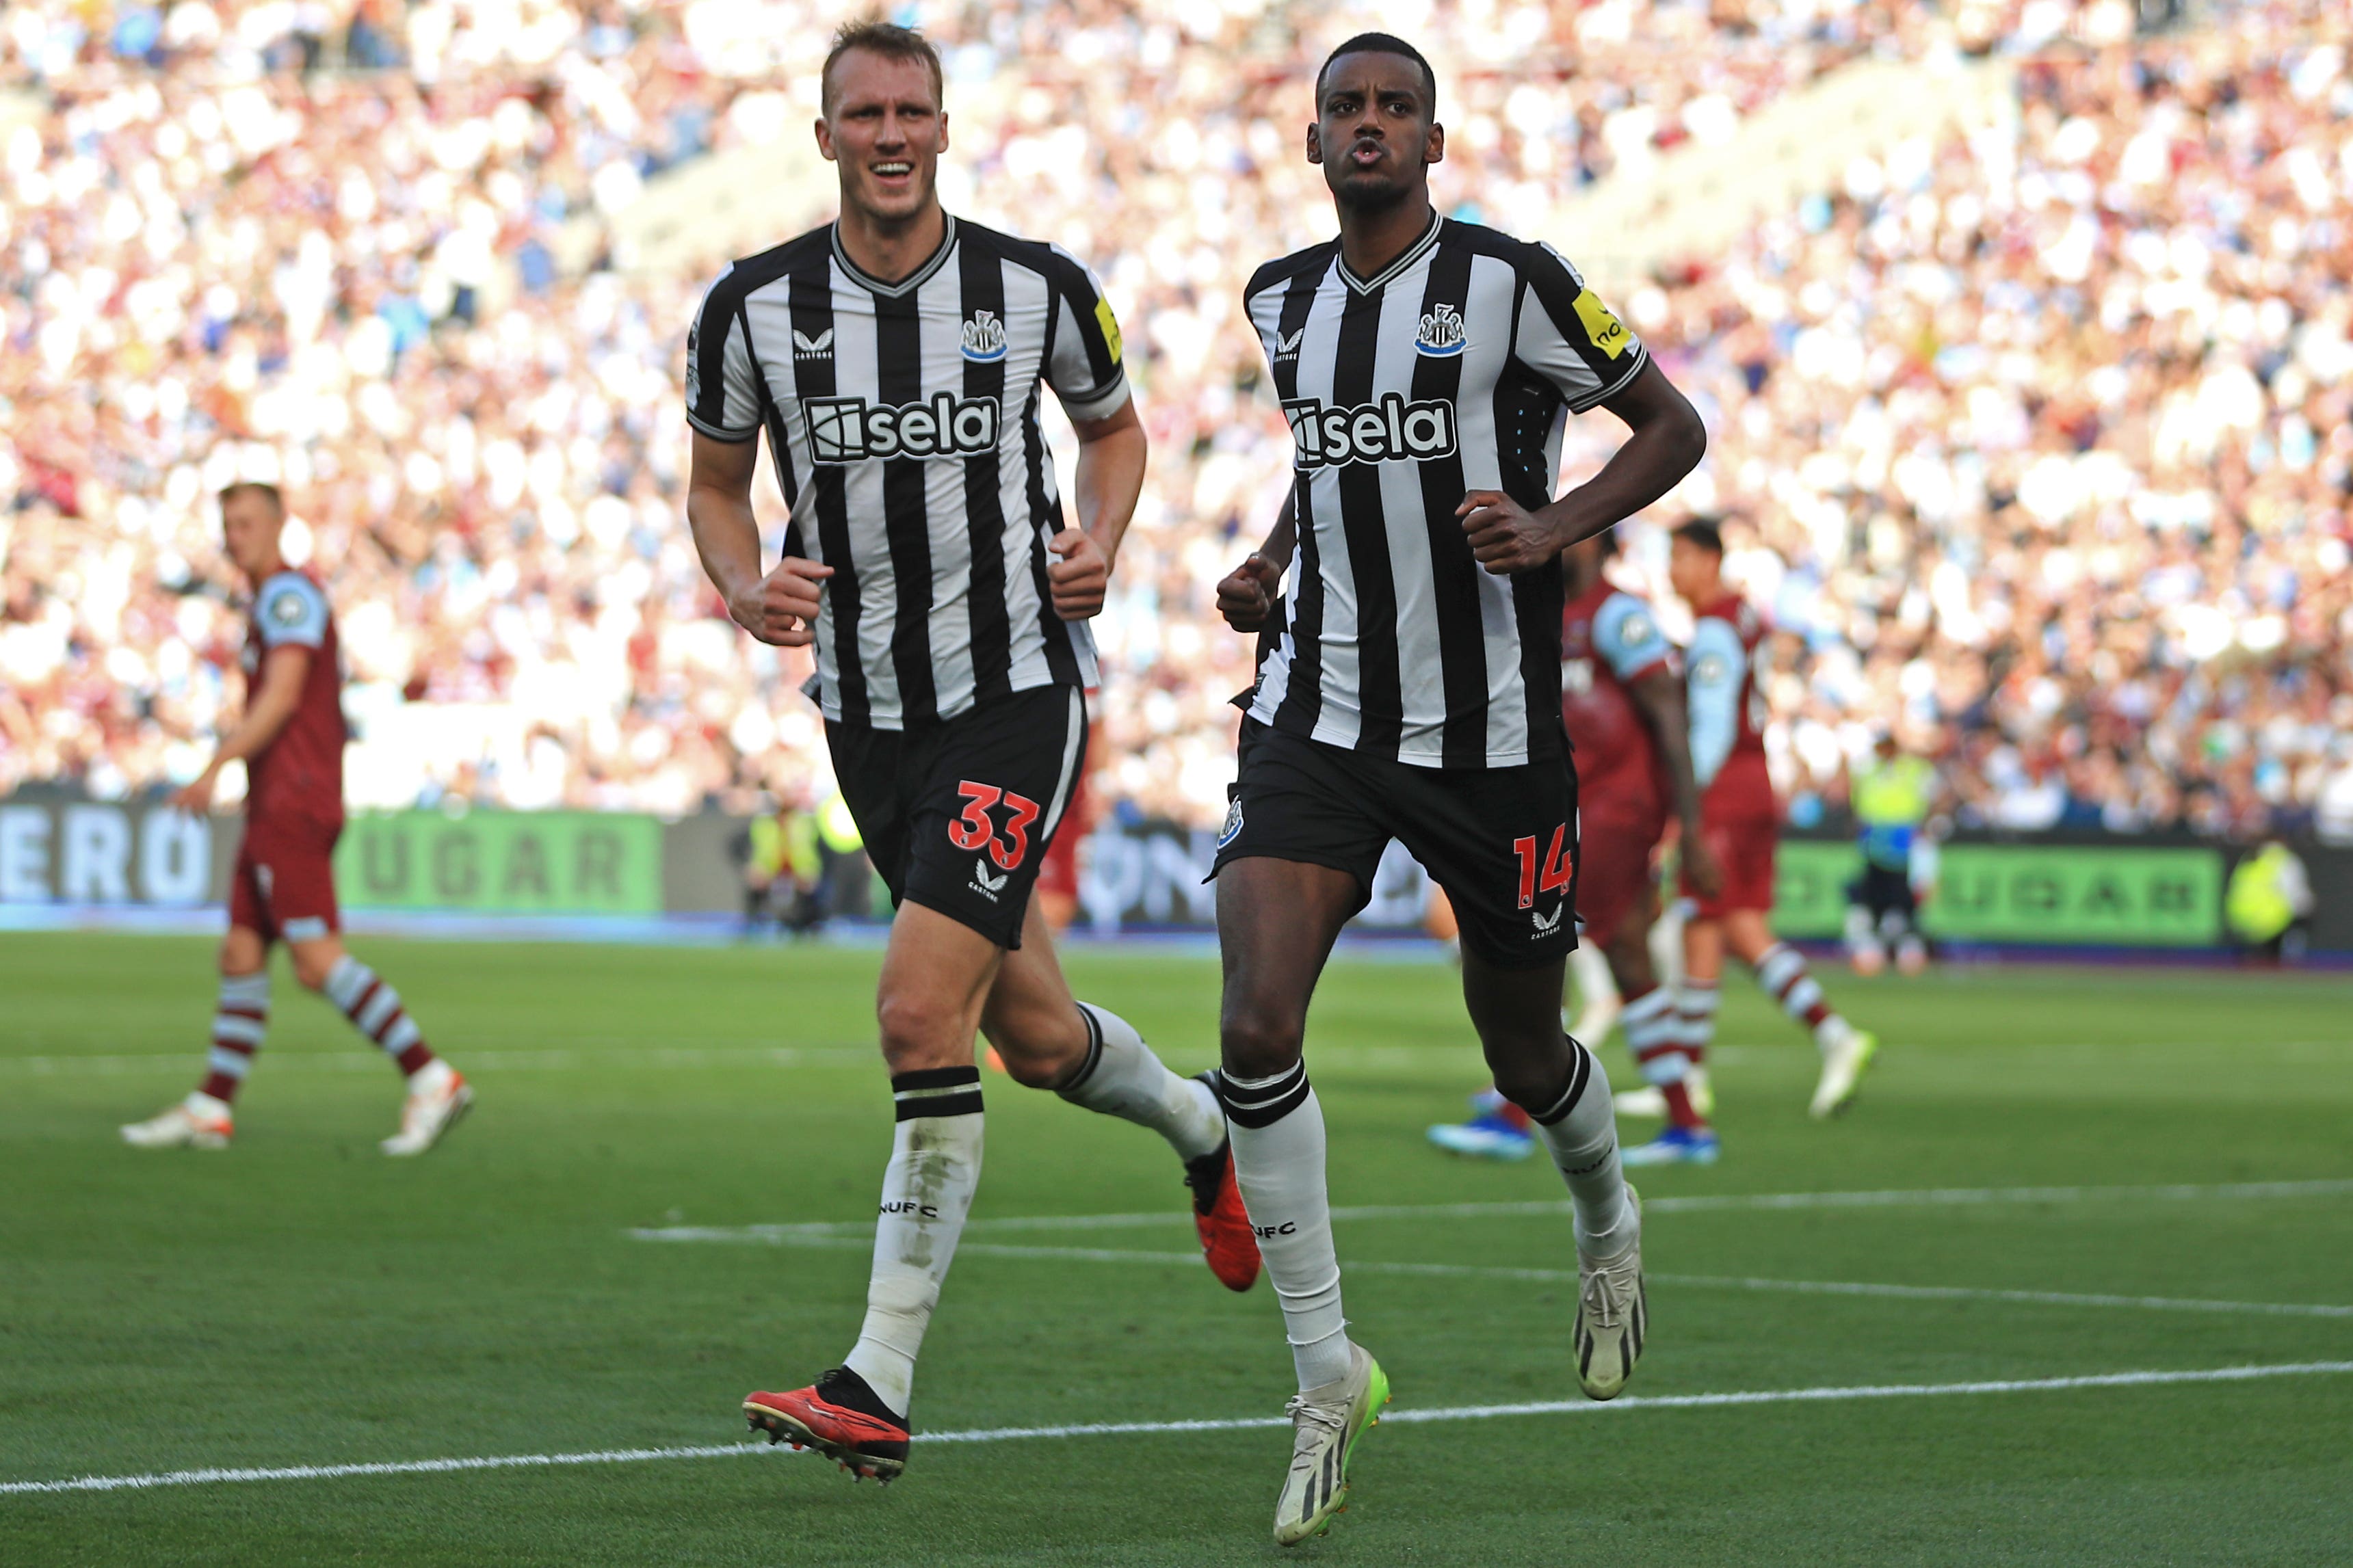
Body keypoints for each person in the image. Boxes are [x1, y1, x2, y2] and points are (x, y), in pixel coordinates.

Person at [681, 21, 1259, 1487]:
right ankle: (1202, 1131)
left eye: (913, 110)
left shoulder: (1033, 287)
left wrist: (1102, 540)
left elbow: (1116, 436)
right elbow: (713, 486)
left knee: (913, 1014)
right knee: (1035, 1037)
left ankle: (874, 1378)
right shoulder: (750, 310)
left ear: (945, 129)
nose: (891, 132)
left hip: (1012, 697)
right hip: (864, 720)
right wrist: (746, 585)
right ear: (825, 138)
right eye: (864, 112)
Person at [1210, 34, 1706, 1544]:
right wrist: (1273, 561)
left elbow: (1672, 430)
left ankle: (1606, 1216)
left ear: (1434, 140)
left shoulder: (1517, 282)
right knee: (1250, 1024)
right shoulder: (1280, 300)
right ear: (1313, 144)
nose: (1369, 127)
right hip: (1317, 716)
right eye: (1346, 110)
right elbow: (1328, 458)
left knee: (1520, 1049)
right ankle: (1321, 1375)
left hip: (1490, 743)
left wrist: (1554, 525)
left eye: (1395, 109)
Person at [120, 483, 473, 1156]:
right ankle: (210, 1107)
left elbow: (283, 696)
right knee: (242, 951)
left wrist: (213, 766)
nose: (235, 535)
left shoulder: (289, 597)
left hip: (295, 799)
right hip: (273, 801)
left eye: (248, 521)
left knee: (315, 961)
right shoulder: (267, 601)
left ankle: (429, 1075)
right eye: (227, 523)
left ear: (280, 526)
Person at [1429, 527, 1722, 1160]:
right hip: (1577, 805)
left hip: (1618, 810)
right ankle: (1686, 1122)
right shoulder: (1551, 614)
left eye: (1574, 536)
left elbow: (1670, 716)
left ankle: (1512, 1114)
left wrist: (1690, 826)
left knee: (1537, 938)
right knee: (1625, 957)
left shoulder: (1618, 615)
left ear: (1600, 546)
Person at [1639, 518, 1878, 1155]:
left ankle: (1692, 1075)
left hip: (1725, 790)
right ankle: (1825, 1037)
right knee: (1735, 925)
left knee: (1700, 920)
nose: (1673, 572)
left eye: (1682, 557)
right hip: (1755, 781)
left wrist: (1681, 813)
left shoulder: (1716, 628)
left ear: (1712, 560)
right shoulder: (1744, 618)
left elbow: (1711, 728)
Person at [1843, 730, 1941, 976]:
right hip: (1875, 843)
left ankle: (1908, 950)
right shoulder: (1869, 771)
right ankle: (1877, 952)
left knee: (1904, 900)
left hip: (1905, 842)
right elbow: (1860, 805)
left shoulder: (1915, 769)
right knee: (1873, 899)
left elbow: (1934, 798)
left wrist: (1925, 829)